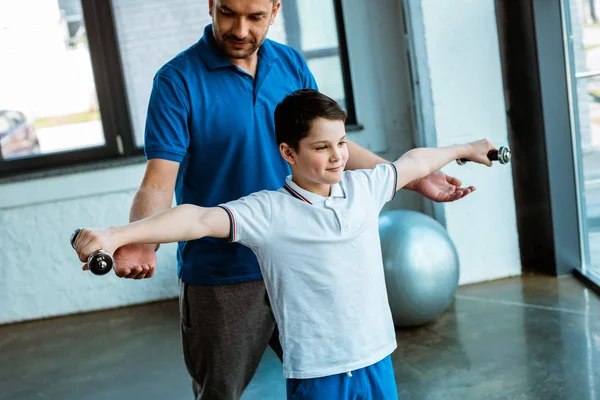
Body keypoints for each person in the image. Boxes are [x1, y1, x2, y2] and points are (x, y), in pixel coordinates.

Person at [108, 0, 475, 398]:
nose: (241, 30)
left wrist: (413, 177)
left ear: (276, 9)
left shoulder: (291, 65)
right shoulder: (177, 81)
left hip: (306, 263)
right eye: (229, 12)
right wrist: (139, 240)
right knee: (220, 393)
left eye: (255, 17)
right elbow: (159, 182)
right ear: (211, 4)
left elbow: (330, 144)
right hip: (224, 275)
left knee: (337, 378)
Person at [74, 89, 495, 400]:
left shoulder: (365, 187)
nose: (337, 156)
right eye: (321, 147)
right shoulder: (270, 212)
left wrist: (467, 148)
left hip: (376, 356)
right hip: (318, 372)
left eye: (342, 143)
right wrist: (117, 235)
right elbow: (196, 218)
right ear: (287, 152)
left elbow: (414, 162)